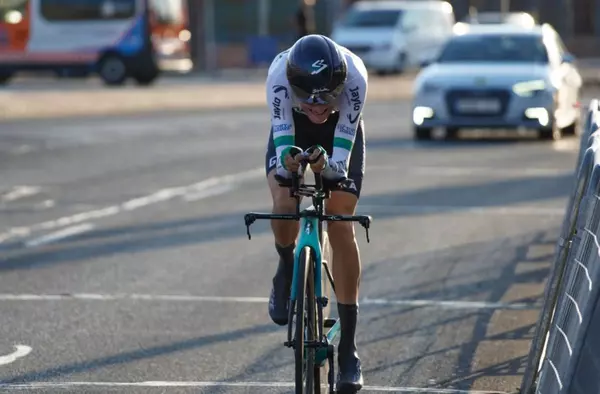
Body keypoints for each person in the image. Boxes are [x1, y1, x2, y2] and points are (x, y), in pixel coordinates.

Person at [264, 34, 368, 392]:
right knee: (283, 202)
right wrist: (288, 163)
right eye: (310, 100)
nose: (319, 107)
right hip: (293, 127)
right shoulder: (278, 77)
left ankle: (350, 348)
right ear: (295, 87)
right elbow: (282, 157)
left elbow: (339, 160)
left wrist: (328, 166)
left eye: (326, 99)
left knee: (340, 222)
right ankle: (286, 265)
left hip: (340, 135)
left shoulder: (355, 79)